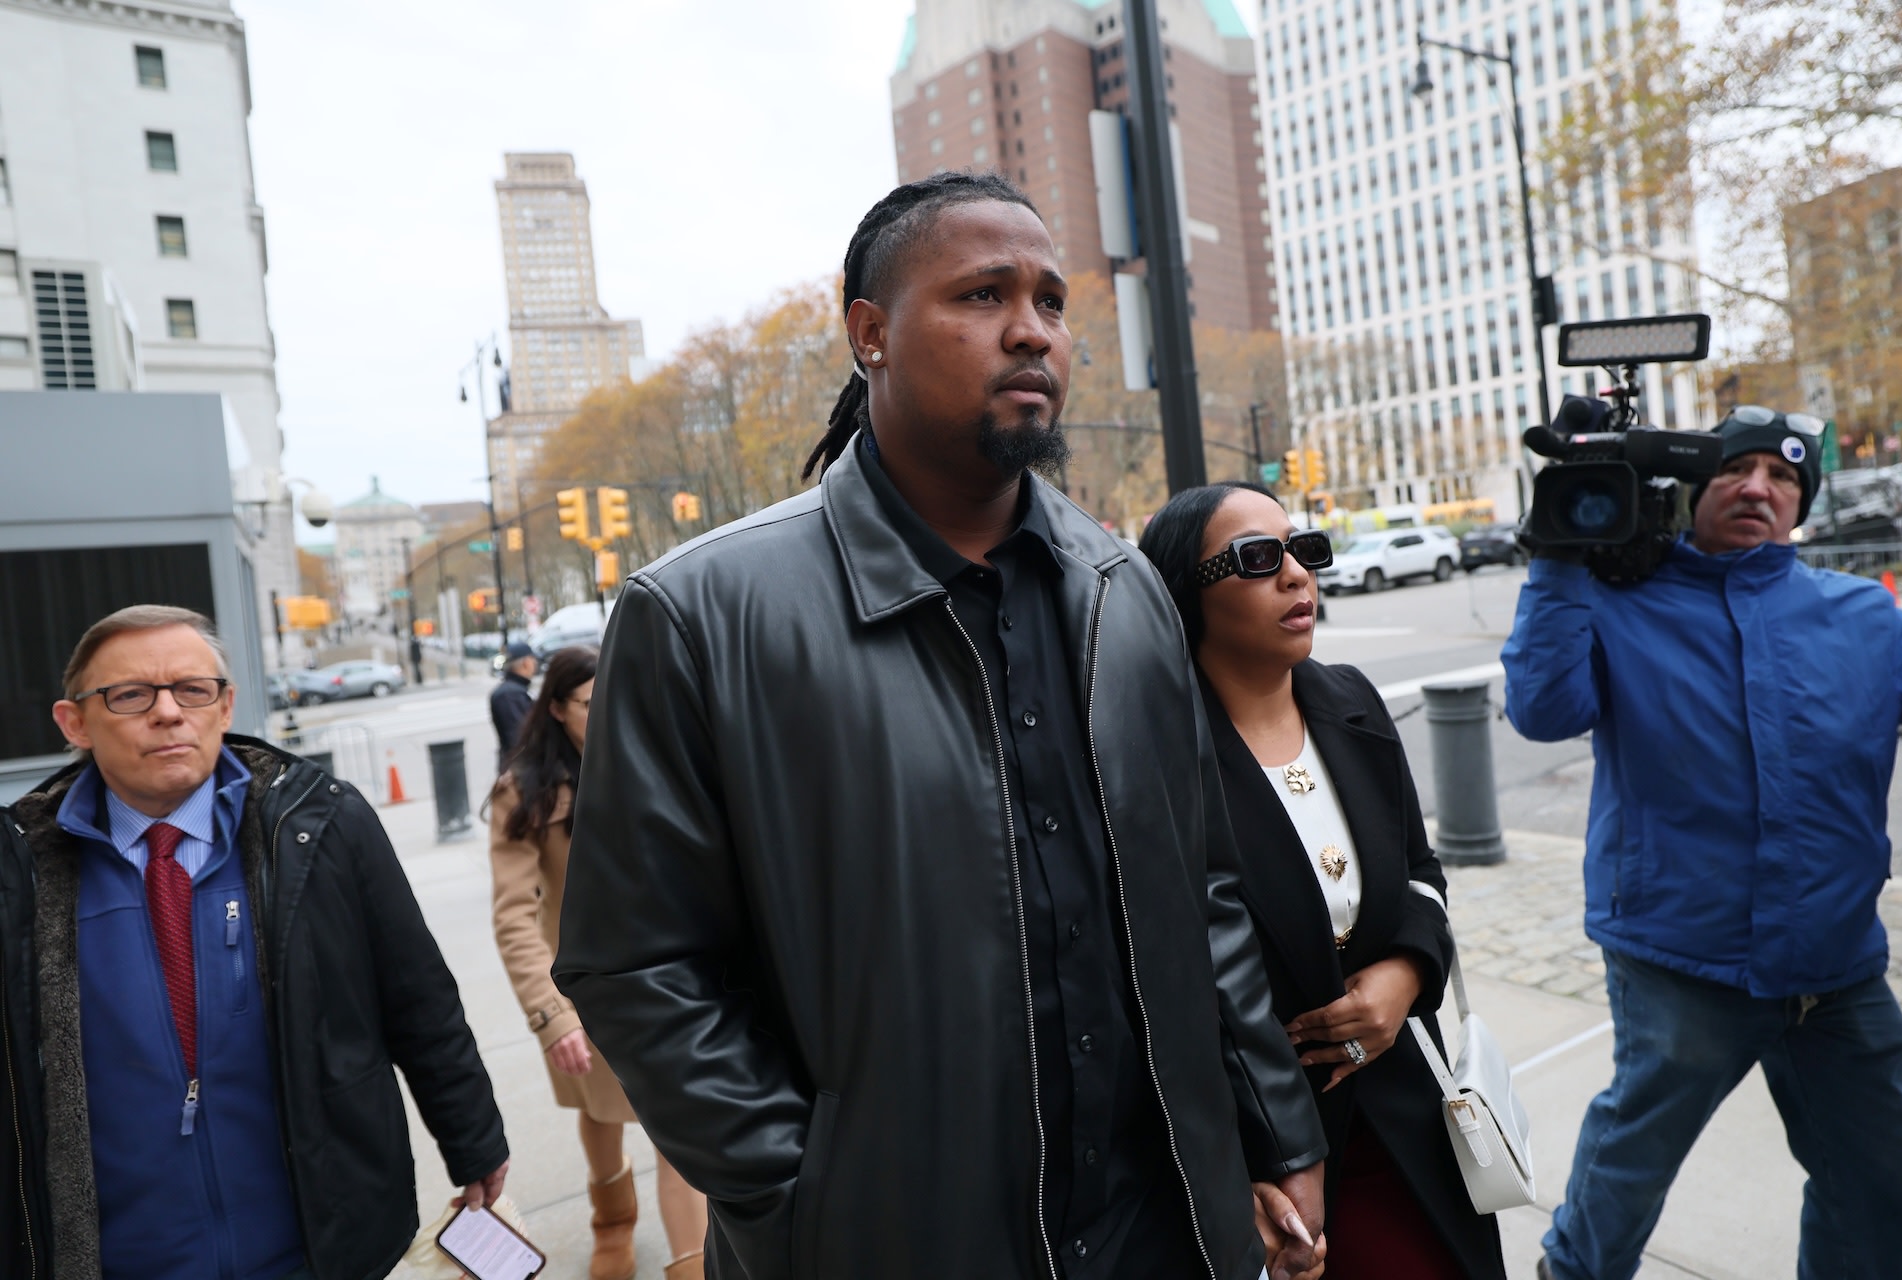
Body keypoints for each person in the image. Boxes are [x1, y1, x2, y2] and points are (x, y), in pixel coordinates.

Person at [554, 171, 1331, 1280]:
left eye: (1053, 302)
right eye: (982, 295)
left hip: (1158, 1231)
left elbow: (1199, 891)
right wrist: (802, 1191)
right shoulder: (697, 613)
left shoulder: (1127, 592)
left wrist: (1273, 1130)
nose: (1032, 331)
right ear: (869, 331)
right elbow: (638, 962)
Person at [1504, 405, 1902, 1280]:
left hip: (1836, 965)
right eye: (1737, 469)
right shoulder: (1620, 601)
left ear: (1800, 507)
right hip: (1680, 955)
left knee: (1883, 1188)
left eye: (1782, 477)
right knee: (1627, 1176)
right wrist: (1558, 559)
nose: (1757, 487)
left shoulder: (1867, 619)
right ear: (1692, 489)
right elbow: (1543, 712)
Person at [0, 605, 509, 1280]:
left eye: (192, 689)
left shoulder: (319, 825)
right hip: (123, 1259)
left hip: (316, 1246)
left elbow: (416, 992)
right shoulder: (19, 869)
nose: (168, 712)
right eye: (129, 695)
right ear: (75, 722)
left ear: (225, 703)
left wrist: (472, 1139)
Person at [1140, 482, 1504, 1279]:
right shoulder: (1158, 761)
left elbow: (1422, 874)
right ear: (1181, 593)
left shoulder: (1352, 702)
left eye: (1305, 550)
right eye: (1258, 559)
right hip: (1272, 1156)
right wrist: (1233, 1169)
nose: (1298, 575)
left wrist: (1407, 975)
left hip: (1415, 1120)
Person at [488, 644, 709, 1280]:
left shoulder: (651, 762)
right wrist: (552, 1015)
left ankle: (690, 1266)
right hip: (585, 995)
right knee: (602, 1115)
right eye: (590, 702)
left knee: (677, 1131)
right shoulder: (523, 794)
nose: (608, 710)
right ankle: (612, 1220)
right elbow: (514, 916)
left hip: (671, 981)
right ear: (556, 708)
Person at [490, 640, 537, 771]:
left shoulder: (515, 690)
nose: (535, 663)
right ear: (526, 663)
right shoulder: (510, 694)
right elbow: (519, 738)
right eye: (533, 659)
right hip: (519, 770)